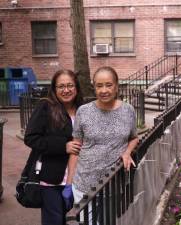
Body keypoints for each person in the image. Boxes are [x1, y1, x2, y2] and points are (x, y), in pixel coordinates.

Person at [63, 66, 138, 220]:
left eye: (108, 85)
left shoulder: (128, 110)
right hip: (84, 184)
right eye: (99, 86)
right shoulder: (83, 111)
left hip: (113, 183)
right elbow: (75, 149)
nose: (104, 90)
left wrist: (127, 152)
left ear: (116, 86)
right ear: (94, 87)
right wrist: (69, 183)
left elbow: (134, 137)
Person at [24, 69, 83, 225]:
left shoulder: (83, 109)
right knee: (54, 221)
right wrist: (63, 146)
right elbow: (31, 138)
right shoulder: (46, 106)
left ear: (76, 87)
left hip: (77, 177)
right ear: (54, 89)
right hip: (51, 179)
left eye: (70, 85)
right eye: (61, 86)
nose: (66, 90)